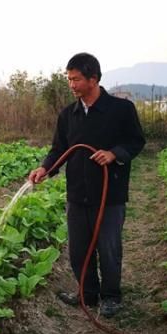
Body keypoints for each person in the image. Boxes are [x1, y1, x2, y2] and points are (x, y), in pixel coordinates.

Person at [28, 52, 145, 318]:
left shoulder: (121, 109)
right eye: (69, 79)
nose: (71, 85)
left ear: (93, 78)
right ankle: (88, 293)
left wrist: (114, 153)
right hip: (77, 193)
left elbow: (136, 142)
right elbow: (59, 148)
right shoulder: (68, 114)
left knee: (108, 247)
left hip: (109, 193)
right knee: (79, 248)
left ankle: (111, 296)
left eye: (76, 79)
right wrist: (45, 168)